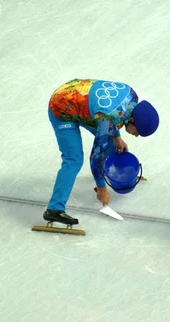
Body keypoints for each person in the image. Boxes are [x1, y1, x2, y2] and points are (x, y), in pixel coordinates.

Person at [45, 79, 159, 225]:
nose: (137, 135)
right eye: (138, 132)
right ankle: (54, 209)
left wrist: (117, 138)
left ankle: (113, 172)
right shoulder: (107, 120)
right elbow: (95, 157)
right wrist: (101, 188)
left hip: (79, 99)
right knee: (74, 160)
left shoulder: (132, 98)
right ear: (132, 120)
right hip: (61, 107)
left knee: (110, 140)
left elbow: (112, 112)